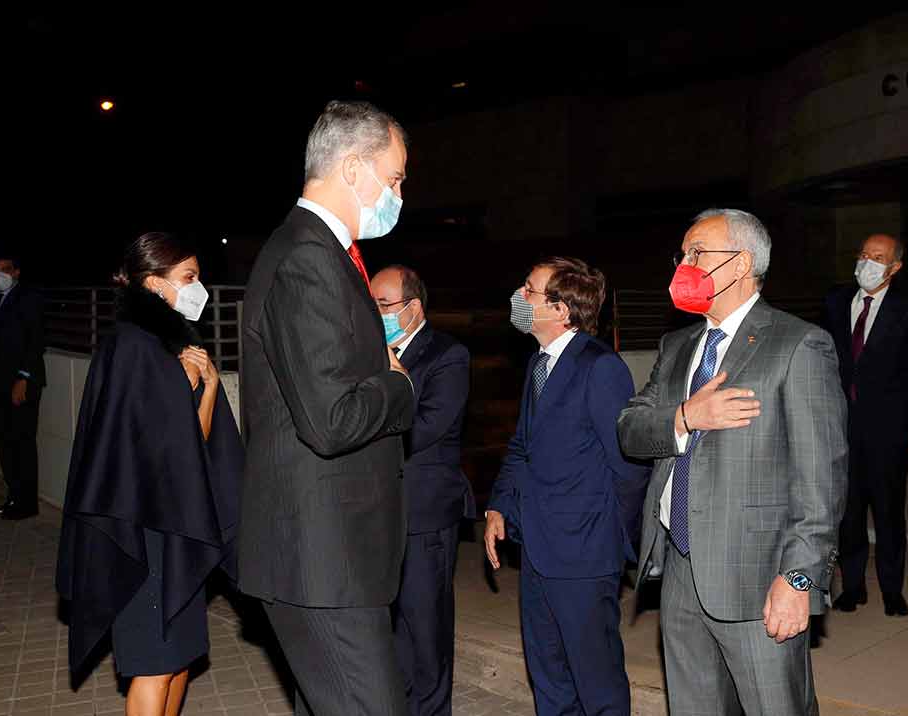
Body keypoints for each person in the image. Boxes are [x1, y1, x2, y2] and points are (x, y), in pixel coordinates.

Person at [618, 209, 847, 715]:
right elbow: (630, 430)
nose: (684, 265)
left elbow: (822, 480)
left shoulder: (798, 344)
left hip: (758, 580)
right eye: (682, 255)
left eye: (697, 253)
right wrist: (684, 416)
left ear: (741, 263)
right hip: (679, 570)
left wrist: (800, 580)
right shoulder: (678, 346)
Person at [238, 100, 415, 716]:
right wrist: (397, 384)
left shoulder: (318, 251)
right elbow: (330, 419)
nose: (398, 194)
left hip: (330, 558)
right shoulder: (308, 257)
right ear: (351, 167)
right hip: (323, 560)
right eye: (393, 178)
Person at [56, 232, 243, 716]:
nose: (198, 287)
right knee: (153, 664)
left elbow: (192, 447)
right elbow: (133, 452)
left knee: (179, 660)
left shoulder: (175, 343)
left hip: (179, 528)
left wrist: (205, 389)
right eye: (189, 277)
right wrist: (181, 382)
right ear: (156, 284)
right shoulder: (131, 346)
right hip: (141, 533)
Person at [484, 256, 649, 716]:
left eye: (529, 290)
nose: (519, 297)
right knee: (550, 676)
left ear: (561, 310)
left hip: (583, 554)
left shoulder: (600, 368)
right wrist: (499, 506)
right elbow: (522, 446)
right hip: (536, 547)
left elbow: (630, 466)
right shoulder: (540, 362)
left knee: (596, 682)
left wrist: (611, 538)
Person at [371, 265, 474, 716]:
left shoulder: (447, 355)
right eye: (370, 303)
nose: (376, 312)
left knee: (426, 626)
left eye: (384, 304)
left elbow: (427, 427)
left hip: (425, 513)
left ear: (413, 308)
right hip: (379, 511)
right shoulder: (369, 352)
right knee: (391, 626)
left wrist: (393, 384)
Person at [823, 233, 908, 617]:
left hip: (890, 429)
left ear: (895, 267)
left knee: (888, 511)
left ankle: (892, 590)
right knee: (848, 512)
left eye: (878, 256)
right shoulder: (837, 301)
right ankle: (852, 588)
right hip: (842, 427)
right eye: (864, 253)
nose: (867, 261)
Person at [0, 254, 46, 520]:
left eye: (4, 269)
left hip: (20, 384)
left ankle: (27, 504)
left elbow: (35, 340)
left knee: (21, 443)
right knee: (4, 443)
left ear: (16, 272)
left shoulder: (28, 298)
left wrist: (23, 377)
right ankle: (14, 497)